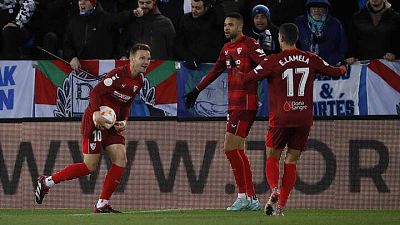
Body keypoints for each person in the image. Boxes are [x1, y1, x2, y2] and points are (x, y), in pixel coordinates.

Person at [240, 23, 347, 216]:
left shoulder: (273, 60)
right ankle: (280, 206)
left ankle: (274, 189)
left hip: (281, 117)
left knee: (272, 156)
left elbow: (249, 78)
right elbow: (334, 71)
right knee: (291, 160)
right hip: (304, 117)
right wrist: (344, 69)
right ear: (296, 38)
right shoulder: (310, 58)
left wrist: (240, 70)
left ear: (280, 38)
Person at [34, 43, 151, 213]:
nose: (146, 61)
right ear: (132, 59)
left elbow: (127, 102)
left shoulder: (139, 80)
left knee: (121, 158)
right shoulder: (118, 75)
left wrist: (124, 120)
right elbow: (95, 92)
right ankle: (46, 182)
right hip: (96, 121)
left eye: (148, 58)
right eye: (142, 58)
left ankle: (102, 203)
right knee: (89, 166)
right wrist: (96, 113)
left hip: (111, 124)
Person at [185, 12, 266, 211]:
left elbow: (266, 65)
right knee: (237, 150)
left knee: (229, 148)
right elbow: (214, 71)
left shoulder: (251, 44)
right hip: (234, 104)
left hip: (245, 103)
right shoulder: (227, 48)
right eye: (224, 25)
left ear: (240, 27)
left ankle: (243, 196)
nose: (226, 28)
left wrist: (249, 76)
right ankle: (251, 197)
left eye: (230, 25)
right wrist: (196, 91)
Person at [64, 0, 140, 71]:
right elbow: (67, 43)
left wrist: (133, 13)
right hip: (80, 68)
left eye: (86, 0)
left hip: (105, 68)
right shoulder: (73, 22)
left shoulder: (105, 19)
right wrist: (72, 57)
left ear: (93, 2)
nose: (81, 3)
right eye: (80, 0)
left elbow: (120, 18)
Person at [175, 0, 225, 69]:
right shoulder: (185, 20)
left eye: (198, 8)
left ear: (206, 8)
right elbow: (179, 43)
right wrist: (188, 58)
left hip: (210, 65)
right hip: (189, 66)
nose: (194, 10)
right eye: (192, 7)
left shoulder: (215, 20)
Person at [295, 0, 347, 65]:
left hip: (330, 66)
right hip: (305, 66)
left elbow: (342, 47)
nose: (316, 10)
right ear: (308, 9)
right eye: (313, 7)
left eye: (320, 7)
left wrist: (332, 61)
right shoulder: (300, 22)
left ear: (326, 9)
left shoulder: (335, 24)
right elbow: (293, 45)